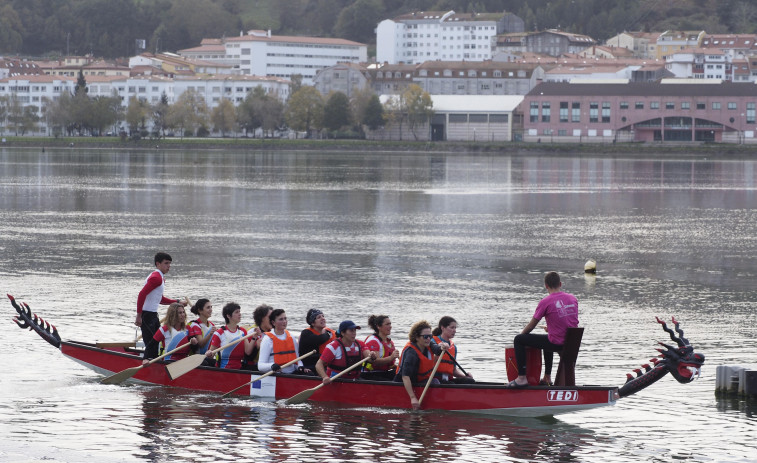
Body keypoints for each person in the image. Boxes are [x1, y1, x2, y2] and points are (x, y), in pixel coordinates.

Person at [508, 271, 579, 387]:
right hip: (571, 343)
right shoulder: (573, 299)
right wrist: (551, 329)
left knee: (518, 340)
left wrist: (522, 336)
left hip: (558, 343)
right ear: (560, 284)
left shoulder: (545, 302)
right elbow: (568, 321)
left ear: (546, 286)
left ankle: (522, 378)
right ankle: (547, 377)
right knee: (547, 339)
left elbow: (531, 326)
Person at [394, 320, 448, 410]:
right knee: (435, 382)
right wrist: (413, 398)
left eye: (430, 336)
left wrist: (443, 346)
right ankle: (437, 403)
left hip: (419, 381)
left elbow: (437, 349)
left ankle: (439, 402)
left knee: (436, 381)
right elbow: (405, 376)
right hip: (403, 383)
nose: (428, 339)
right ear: (416, 337)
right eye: (425, 336)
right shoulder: (411, 353)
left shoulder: (429, 344)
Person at [135, 252, 185, 348]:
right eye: (166, 263)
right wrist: (139, 316)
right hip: (147, 316)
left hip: (152, 315)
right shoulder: (156, 278)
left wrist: (177, 302)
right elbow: (142, 294)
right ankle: (150, 360)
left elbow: (160, 299)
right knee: (151, 344)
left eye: (169, 263)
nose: (169, 266)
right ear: (158, 264)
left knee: (158, 342)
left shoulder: (160, 278)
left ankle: (156, 358)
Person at [206, 302, 257, 369]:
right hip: (223, 369)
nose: (239, 314)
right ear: (228, 316)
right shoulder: (219, 333)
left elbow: (248, 351)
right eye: (236, 312)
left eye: (239, 311)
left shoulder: (242, 331)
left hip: (239, 369)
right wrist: (209, 353)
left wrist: (254, 337)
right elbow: (211, 355)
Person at [258, 308, 308, 374]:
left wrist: (300, 366)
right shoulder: (267, 339)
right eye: (281, 319)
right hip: (276, 376)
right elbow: (260, 366)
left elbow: (297, 359)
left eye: (285, 318)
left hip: (292, 374)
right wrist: (272, 366)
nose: (284, 321)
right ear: (273, 322)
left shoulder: (291, 337)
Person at [431, 316, 474, 384]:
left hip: (448, 379)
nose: (454, 330)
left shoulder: (453, 347)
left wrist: (465, 376)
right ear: (443, 328)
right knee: (451, 384)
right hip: (435, 379)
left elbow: (453, 370)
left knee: (469, 381)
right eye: (452, 327)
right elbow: (428, 362)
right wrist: (440, 350)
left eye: (455, 328)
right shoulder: (432, 342)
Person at [361, 314, 399, 381]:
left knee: (404, 374)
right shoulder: (373, 341)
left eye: (390, 324)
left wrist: (396, 366)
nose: (390, 327)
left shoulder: (389, 342)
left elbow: (390, 364)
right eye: (387, 324)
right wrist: (391, 357)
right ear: (378, 326)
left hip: (383, 373)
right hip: (369, 374)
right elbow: (376, 362)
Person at [244, 304, 273, 370]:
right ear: (262, 318)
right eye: (270, 317)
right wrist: (256, 347)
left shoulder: (274, 331)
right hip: (253, 367)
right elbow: (247, 357)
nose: (272, 320)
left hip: (270, 366)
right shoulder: (251, 332)